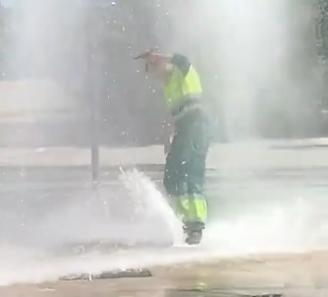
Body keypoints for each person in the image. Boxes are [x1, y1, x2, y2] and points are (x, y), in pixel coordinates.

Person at [135, 50, 210, 244]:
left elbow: (184, 59)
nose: (155, 76)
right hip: (184, 130)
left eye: (154, 68)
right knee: (172, 175)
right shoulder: (169, 87)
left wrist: (161, 56)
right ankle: (184, 221)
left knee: (189, 171)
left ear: (161, 64)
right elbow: (176, 117)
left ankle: (195, 225)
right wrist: (170, 137)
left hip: (196, 126)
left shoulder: (183, 73)